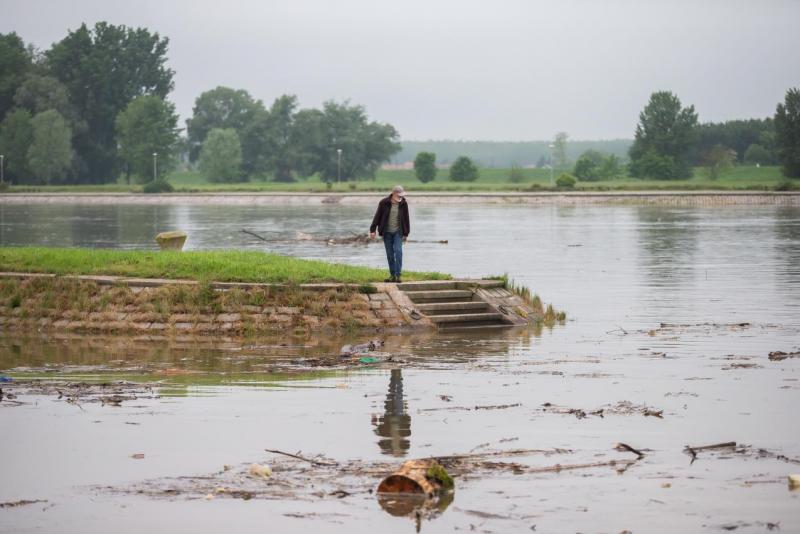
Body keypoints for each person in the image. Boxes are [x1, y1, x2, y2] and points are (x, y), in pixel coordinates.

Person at [370, 185, 410, 283]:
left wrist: (406, 233)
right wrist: (373, 230)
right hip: (387, 232)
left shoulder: (404, 204)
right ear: (393, 194)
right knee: (390, 255)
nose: (400, 197)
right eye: (398, 195)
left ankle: (398, 275)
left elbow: (406, 219)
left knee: (398, 251)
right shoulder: (384, 203)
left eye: (401, 195)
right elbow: (377, 216)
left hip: (398, 232)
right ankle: (392, 276)